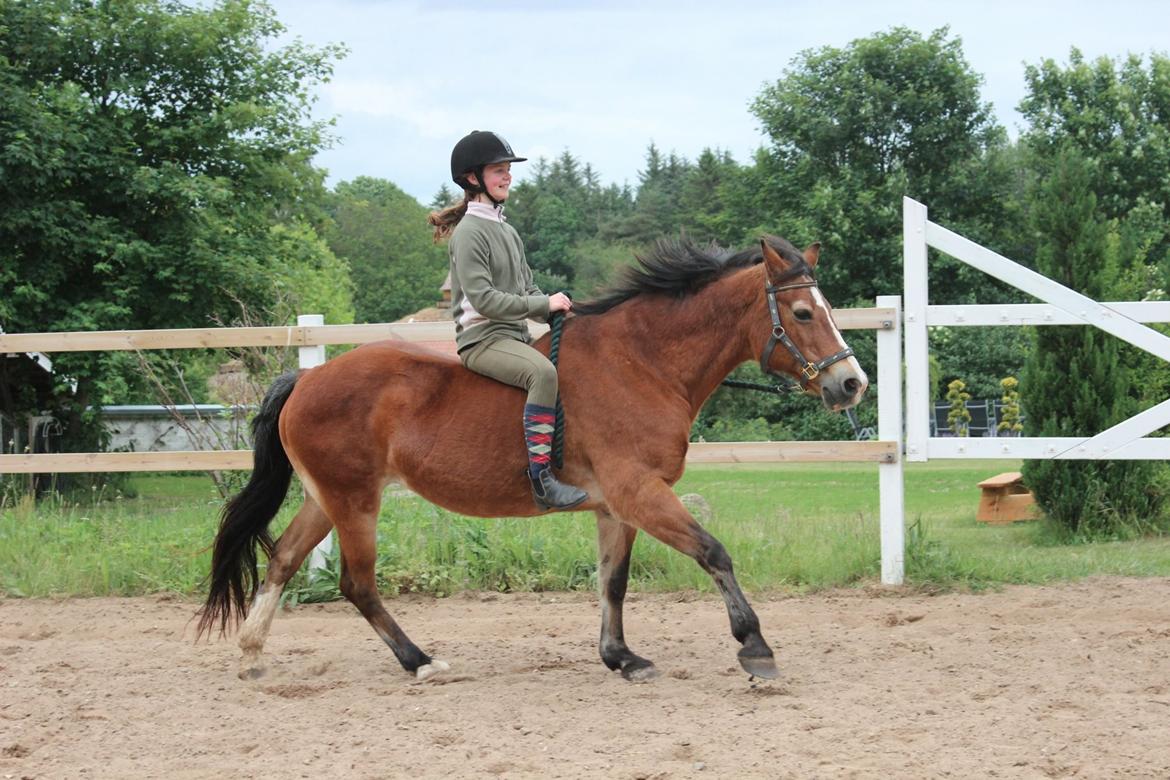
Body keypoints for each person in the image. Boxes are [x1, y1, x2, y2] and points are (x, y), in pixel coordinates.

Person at [428, 130, 589, 511]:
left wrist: (557, 310)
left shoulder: (507, 230)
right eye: (498, 170)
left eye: (507, 170)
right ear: (473, 178)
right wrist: (542, 304)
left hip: (514, 336)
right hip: (483, 340)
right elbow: (484, 300)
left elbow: (527, 286)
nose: (507, 177)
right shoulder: (469, 233)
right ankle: (542, 480)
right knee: (542, 373)